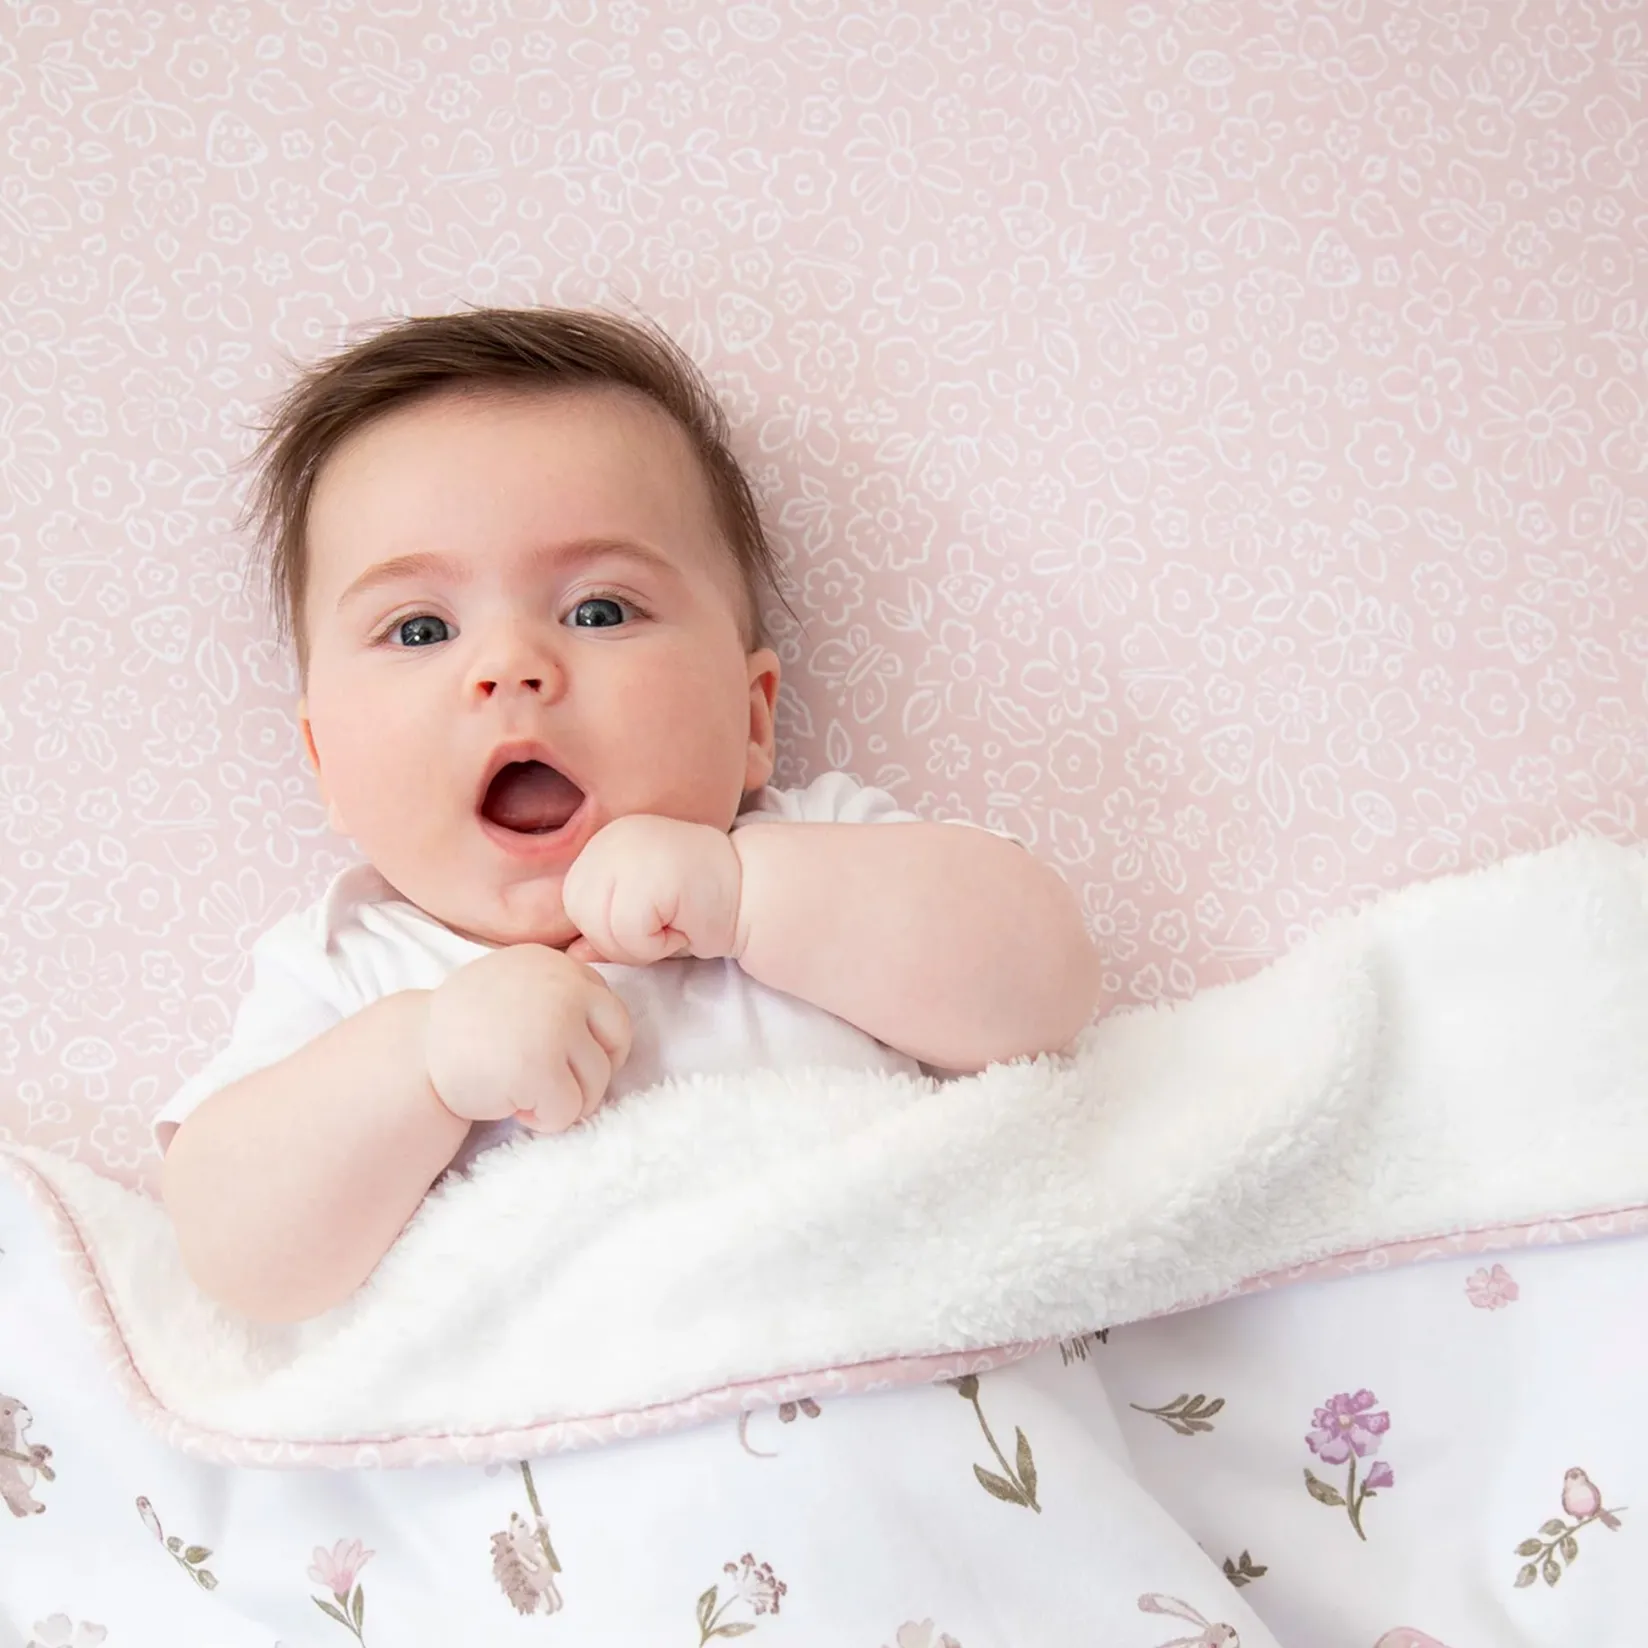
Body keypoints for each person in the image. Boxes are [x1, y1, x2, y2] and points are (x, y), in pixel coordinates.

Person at [157, 307, 1104, 1325]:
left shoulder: (819, 852)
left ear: (751, 718)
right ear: (324, 764)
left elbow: (1046, 988)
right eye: (420, 628)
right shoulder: (349, 968)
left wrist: (745, 896)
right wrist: (425, 1058)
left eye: (599, 610)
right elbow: (232, 1254)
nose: (510, 666)